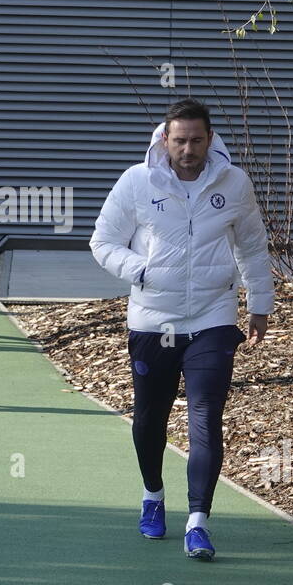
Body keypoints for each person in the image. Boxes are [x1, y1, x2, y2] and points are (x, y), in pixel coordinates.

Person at [90, 97, 274, 561]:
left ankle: (198, 521)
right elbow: (103, 241)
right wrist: (143, 271)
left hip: (213, 318)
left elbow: (252, 248)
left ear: (210, 140)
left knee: (206, 415)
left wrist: (259, 305)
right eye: (179, 140)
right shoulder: (137, 181)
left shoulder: (234, 184)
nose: (187, 149)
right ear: (164, 139)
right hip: (154, 320)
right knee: (150, 417)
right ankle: (153, 495)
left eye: (196, 140)